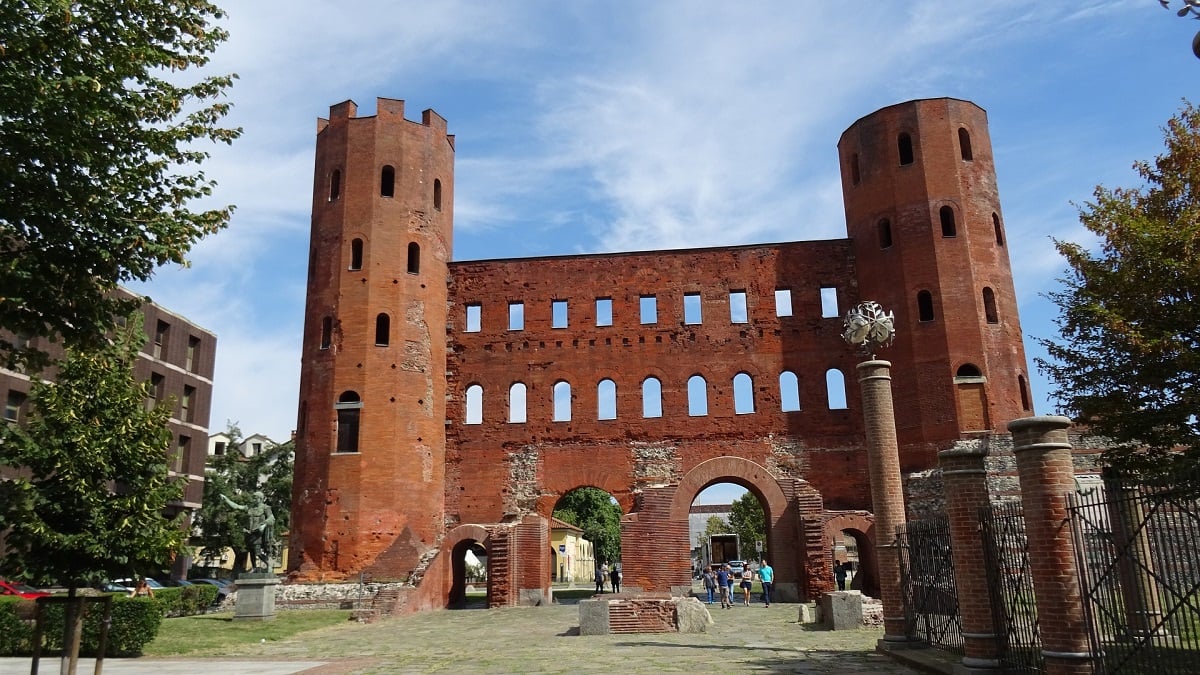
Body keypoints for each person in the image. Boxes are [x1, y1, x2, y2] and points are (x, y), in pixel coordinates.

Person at [220, 491, 276, 572]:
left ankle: (268, 564)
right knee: (251, 551)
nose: (254, 499)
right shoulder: (250, 507)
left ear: (260, 499)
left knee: (258, 552)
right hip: (249, 532)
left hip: (258, 533)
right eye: (253, 498)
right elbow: (237, 507)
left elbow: (271, 518)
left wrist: (263, 526)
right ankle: (254, 567)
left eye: (255, 498)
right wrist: (226, 499)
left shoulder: (265, 508)